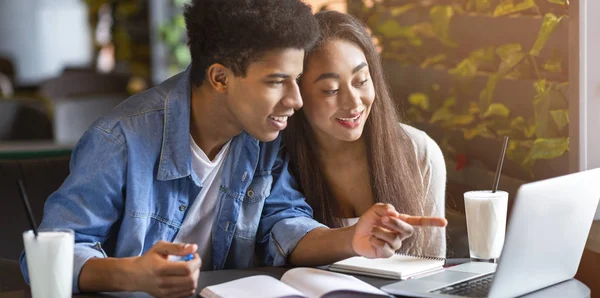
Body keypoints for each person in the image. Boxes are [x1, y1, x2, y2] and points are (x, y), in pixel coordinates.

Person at [20, 1, 446, 297]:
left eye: (297, 80)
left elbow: (283, 221)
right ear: (220, 78)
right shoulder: (122, 139)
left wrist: (351, 238)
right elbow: (48, 253)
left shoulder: (261, 137)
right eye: (277, 81)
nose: (296, 100)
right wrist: (130, 273)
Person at [284, 11, 447, 259]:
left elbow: (433, 266)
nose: (353, 102)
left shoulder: (419, 152)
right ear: (298, 93)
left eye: (361, 81)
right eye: (331, 90)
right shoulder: (277, 160)